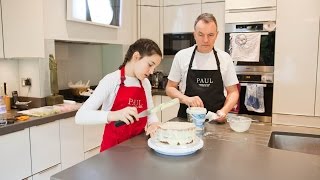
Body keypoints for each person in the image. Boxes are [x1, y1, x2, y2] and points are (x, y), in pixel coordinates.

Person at [75, 38, 162, 152]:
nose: (151, 72)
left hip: (139, 148)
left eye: (154, 68)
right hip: (113, 150)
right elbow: (80, 116)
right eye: (150, 65)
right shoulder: (111, 80)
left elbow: (150, 112)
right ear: (136, 57)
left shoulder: (145, 83)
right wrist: (115, 115)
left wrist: (153, 123)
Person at [166, 13, 239, 123]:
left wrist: (224, 111)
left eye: (210, 35)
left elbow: (233, 92)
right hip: (187, 121)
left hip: (216, 120)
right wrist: (186, 99)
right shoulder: (181, 56)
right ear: (194, 34)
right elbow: (170, 88)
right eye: (200, 34)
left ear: (216, 35)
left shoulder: (225, 58)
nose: (205, 40)